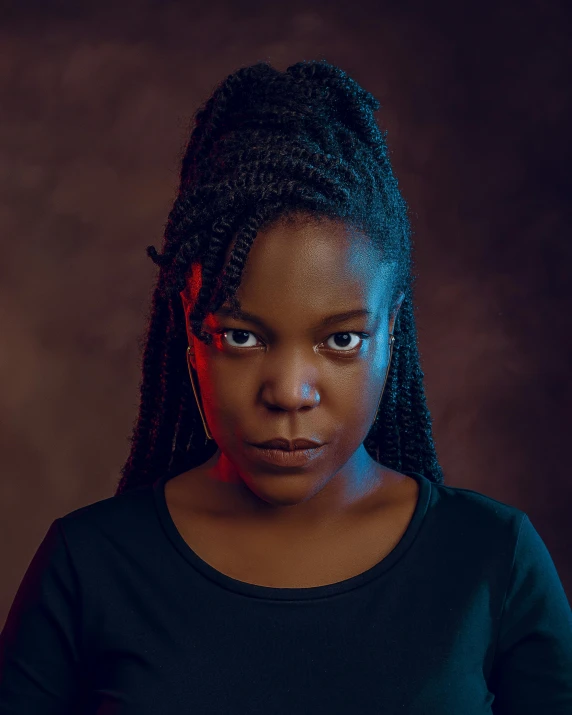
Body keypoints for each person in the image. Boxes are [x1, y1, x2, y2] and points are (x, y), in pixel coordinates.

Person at [1, 59, 571, 714]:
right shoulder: (88, 566)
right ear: (190, 333)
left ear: (392, 330)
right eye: (242, 336)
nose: (291, 391)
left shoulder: (491, 559)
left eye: (340, 340)